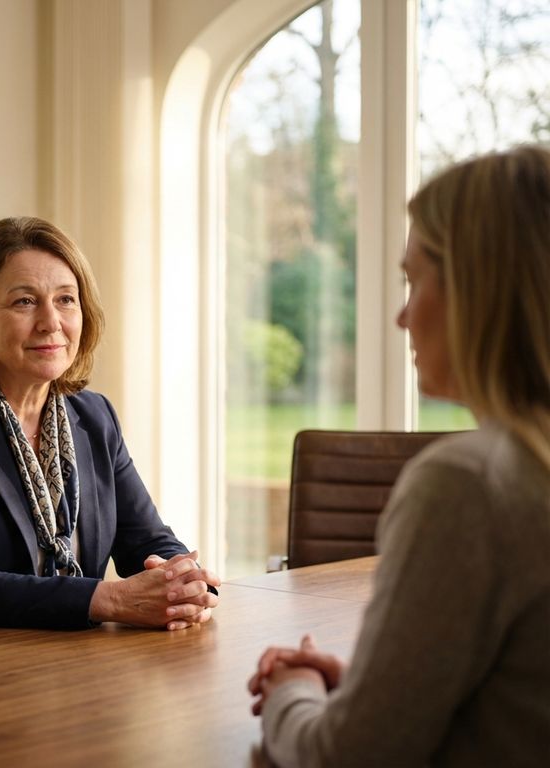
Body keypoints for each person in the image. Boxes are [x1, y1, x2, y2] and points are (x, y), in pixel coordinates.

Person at [248, 146, 550, 767]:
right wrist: (376, 683)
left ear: (480, 289)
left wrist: (291, 692)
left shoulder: (468, 485)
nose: (401, 316)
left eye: (415, 280)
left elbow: (342, 759)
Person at [0, 216, 220, 637]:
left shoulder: (94, 416)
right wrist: (111, 599)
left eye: (66, 299)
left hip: (62, 659)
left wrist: (184, 581)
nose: (51, 321)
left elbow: (146, 540)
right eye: (25, 302)